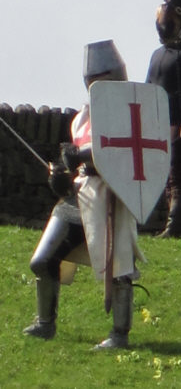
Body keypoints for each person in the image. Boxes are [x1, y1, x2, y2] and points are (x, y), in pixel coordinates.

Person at [23, 40, 144, 349]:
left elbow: (123, 148)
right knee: (43, 260)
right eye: (93, 79)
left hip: (113, 192)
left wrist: (81, 156)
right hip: (80, 195)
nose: (97, 84)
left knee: (119, 267)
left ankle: (120, 335)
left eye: (103, 77)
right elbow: (76, 163)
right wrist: (62, 177)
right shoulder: (81, 119)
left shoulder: (131, 111)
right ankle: (45, 323)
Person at [146, 34, 181, 237]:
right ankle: (179, 228)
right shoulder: (157, 55)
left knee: (178, 176)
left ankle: (174, 228)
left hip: (180, 125)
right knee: (168, 178)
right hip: (160, 125)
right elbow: (148, 88)